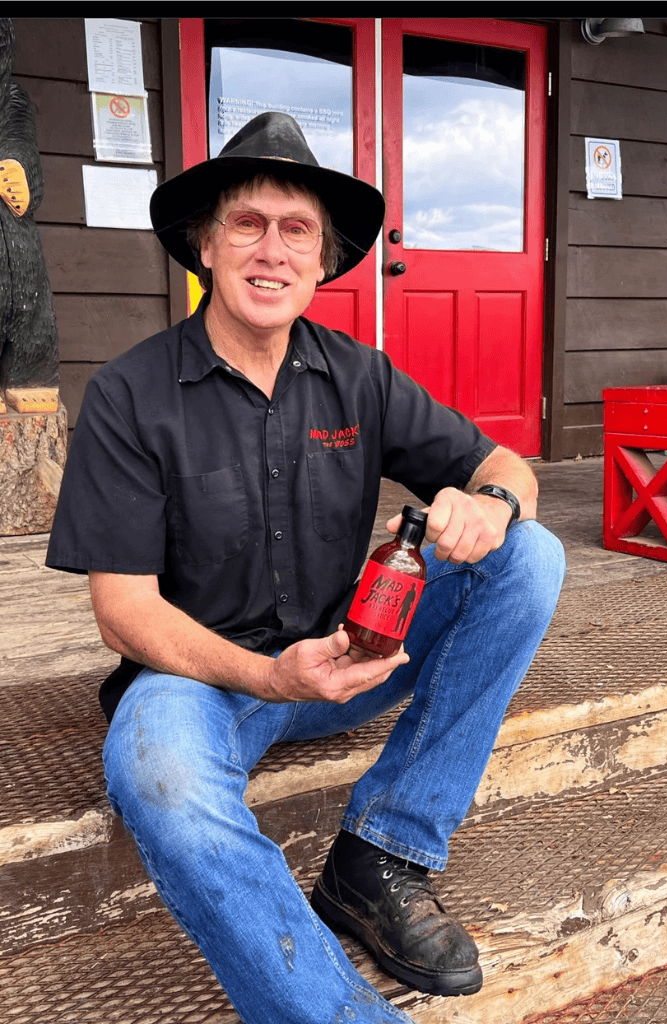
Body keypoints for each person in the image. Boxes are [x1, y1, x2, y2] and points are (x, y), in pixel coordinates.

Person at [46, 112, 565, 1024]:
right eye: (248, 223)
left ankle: (382, 854)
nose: (271, 250)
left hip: (344, 661)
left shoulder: (359, 375)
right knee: (156, 777)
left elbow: (505, 468)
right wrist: (266, 675)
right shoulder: (130, 392)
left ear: (323, 260)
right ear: (205, 244)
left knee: (530, 557)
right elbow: (122, 612)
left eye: (297, 231)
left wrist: (493, 505)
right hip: (196, 681)